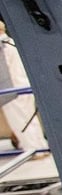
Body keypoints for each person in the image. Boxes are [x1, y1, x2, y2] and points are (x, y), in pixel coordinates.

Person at [0, 21, 48, 154]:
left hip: (13, 88)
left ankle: (35, 150)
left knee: (21, 120)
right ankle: (38, 147)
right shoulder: (12, 42)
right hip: (21, 85)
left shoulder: (3, 46)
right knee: (27, 120)